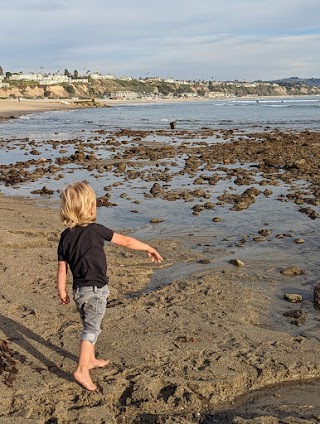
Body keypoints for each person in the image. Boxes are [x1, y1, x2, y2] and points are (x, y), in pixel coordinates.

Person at [57, 182, 163, 391]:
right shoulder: (96, 230)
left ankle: (91, 359)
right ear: (90, 209)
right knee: (91, 329)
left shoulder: (65, 236)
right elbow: (126, 241)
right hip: (95, 291)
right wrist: (148, 248)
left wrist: (61, 290)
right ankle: (81, 370)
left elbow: (62, 269)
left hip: (79, 291)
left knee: (90, 323)